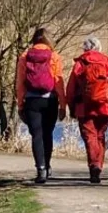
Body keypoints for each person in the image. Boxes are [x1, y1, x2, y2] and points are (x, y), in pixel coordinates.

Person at [66, 36, 108, 185]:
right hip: (106, 105)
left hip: (84, 107)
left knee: (90, 136)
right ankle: (98, 166)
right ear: (99, 48)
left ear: (85, 49)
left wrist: (70, 106)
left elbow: (71, 88)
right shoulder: (106, 63)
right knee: (100, 136)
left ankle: (94, 166)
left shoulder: (80, 64)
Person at [15, 27, 65, 185]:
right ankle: (48, 166)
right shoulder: (54, 57)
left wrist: (20, 104)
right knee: (47, 134)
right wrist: (63, 105)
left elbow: (20, 83)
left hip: (32, 100)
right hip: (50, 100)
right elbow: (59, 82)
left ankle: (40, 169)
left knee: (36, 135)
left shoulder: (25, 56)